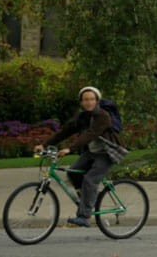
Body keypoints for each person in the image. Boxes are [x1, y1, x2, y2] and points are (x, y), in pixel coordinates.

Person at [34, 86, 121, 227]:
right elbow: (65, 131)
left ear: (97, 101)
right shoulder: (82, 116)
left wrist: (70, 148)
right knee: (73, 173)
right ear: (81, 102)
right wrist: (44, 145)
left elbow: (90, 134)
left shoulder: (103, 116)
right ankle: (89, 200)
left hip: (106, 153)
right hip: (91, 152)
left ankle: (84, 216)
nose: (89, 102)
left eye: (92, 99)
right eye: (85, 100)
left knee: (89, 180)